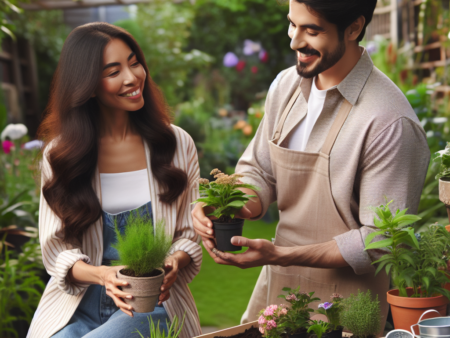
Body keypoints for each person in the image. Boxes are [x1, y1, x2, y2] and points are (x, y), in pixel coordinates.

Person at [192, 0, 429, 327]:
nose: (294, 41)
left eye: (312, 30)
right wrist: (225, 205)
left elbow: (381, 242)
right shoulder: (286, 86)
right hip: (275, 286)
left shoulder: (388, 122)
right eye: (293, 24)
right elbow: (260, 171)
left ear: (354, 28)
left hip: (347, 308)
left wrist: (280, 254)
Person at [28, 23, 202, 338]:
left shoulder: (176, 145)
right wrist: (102, 274)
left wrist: (175, 259)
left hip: (151, 304)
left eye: (134, 62)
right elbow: (56, 248)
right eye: (113, 71)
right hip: (77, 303)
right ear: (88, 85)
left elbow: (189, 234)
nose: (132, 77)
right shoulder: (61, 154)